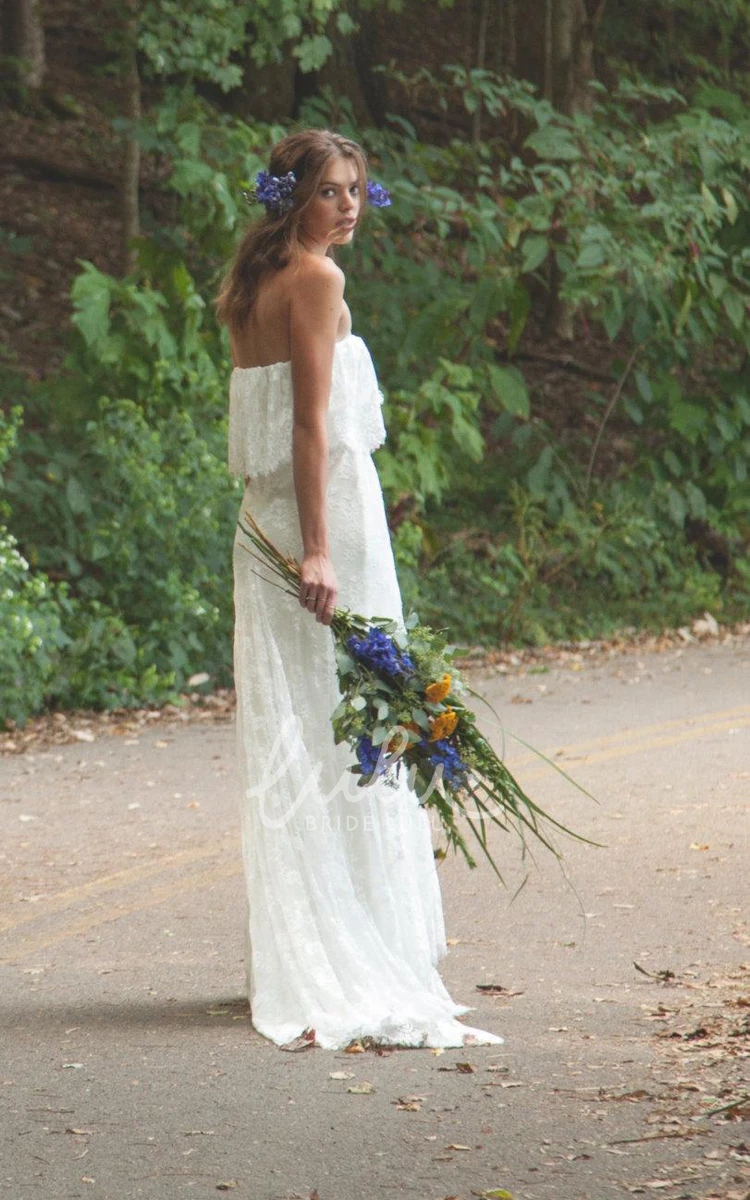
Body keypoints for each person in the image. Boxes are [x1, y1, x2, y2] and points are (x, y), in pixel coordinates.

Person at [216, 128, 502, 1050]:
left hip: (262, 518)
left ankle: (310, 933)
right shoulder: (315, 280)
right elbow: (307, 427)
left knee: (307, 721)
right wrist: (321, 550)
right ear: (293, 195)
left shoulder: (251, 282)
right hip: (318, 517)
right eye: (332, 190)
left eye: (356, 191)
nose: (348, 206)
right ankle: (345, 945)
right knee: (343, 720)